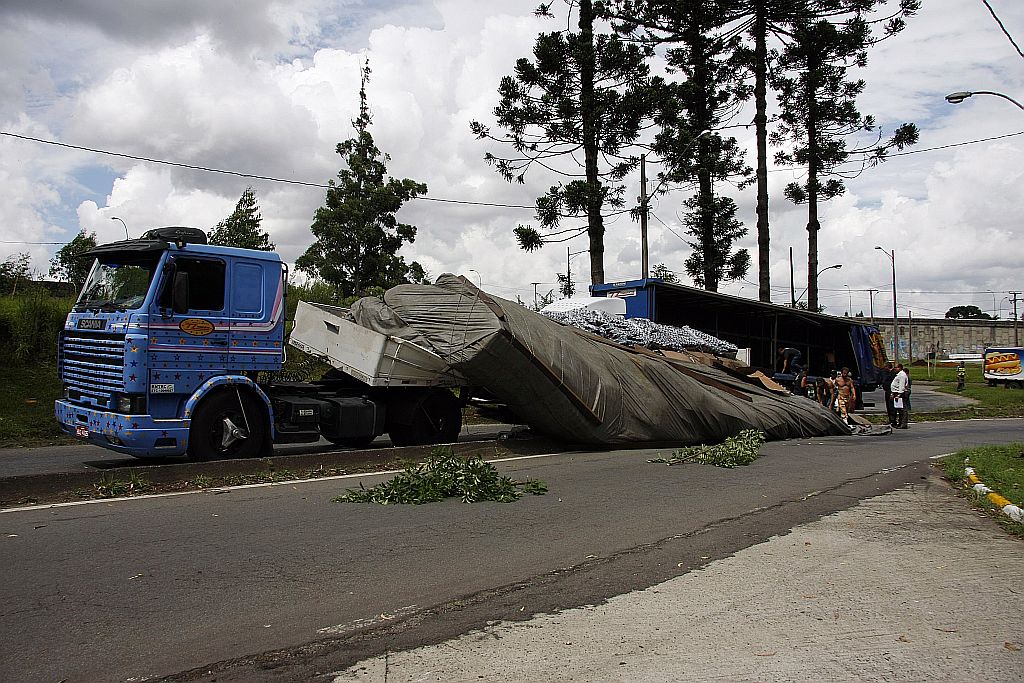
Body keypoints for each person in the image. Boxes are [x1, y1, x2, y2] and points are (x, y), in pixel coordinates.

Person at [891, 363, 909, 429]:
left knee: (903, 409)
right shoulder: (899, 375)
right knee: (899, 409)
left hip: (901, 394)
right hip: (897, 393)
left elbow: (901, 386)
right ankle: (900, 422)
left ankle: (903, 424)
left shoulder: (902, 375)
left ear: (900, 368)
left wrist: (899, 395)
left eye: (896, 367)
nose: (895, 369)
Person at [881, 361, 897, 426]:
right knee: (888, 406)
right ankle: (890, 419)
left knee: (892, 406)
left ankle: (893, 420)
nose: (884, 368)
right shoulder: (885, 373)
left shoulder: (893, 373)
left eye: (885, 367)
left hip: (891, 391)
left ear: (888, 367)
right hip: (887, 391)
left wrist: (892, 392)